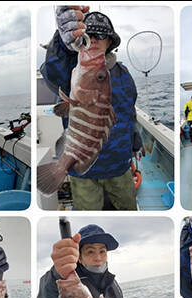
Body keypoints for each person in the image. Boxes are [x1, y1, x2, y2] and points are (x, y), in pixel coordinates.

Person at [40, 7, 142, 210]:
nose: (94, 39)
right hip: (83, 169)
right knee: (88, 210)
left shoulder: (124, 73)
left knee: (128, 208)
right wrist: (62, 41)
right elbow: (53, 70)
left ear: (110, 41)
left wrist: (135, 140)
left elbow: (130, 111)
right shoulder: (71, 69)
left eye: (101, 35)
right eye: (89, 34)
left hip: (119, 165)